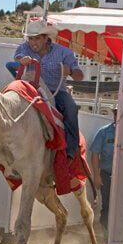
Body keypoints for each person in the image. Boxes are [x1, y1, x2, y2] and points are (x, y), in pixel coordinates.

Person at [14, 20, 84, 159]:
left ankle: (70, 152)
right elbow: (17, 58)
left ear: (46, 38)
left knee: (71, 107)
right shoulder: (24, 48)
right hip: (31, 90)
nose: (33, 42)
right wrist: (21, 60)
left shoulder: (64, 53)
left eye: (37, 38)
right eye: (31, 38)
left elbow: (79, 76)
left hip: (55, 92)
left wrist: (69, 71)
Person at [88, 107, 117, 234]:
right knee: (107, 205)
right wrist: (97, 176)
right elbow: (95, 153)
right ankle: (106, 235)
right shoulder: (104, 132)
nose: (117, 115)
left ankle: (117, 235)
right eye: (116, 113)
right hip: (107, 175)